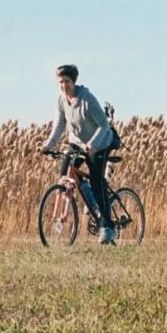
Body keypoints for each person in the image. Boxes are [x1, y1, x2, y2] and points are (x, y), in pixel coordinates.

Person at [42, 64, 117, 244]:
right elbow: (59, 125)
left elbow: (104, 126)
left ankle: (108, 227)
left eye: (66, 81)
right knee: (64, 174)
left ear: (73, 81)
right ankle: (81, 204)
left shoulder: (87, 100)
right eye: (60, 82)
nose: (63, 85)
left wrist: (92, 144)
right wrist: (48, 145)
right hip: (77, 143)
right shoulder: (61, 100)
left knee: (96, 181)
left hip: (100, 142)